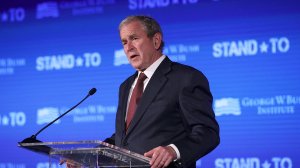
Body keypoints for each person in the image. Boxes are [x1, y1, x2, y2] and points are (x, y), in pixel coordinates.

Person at [105, 15, 220, 168]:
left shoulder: (185, 78)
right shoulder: (126, 86)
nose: (128, 47)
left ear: (156, 40)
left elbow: (207, 133)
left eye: (134, 38)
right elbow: (127, 137)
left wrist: (173, 151)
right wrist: (87, 155)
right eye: (124, 42)